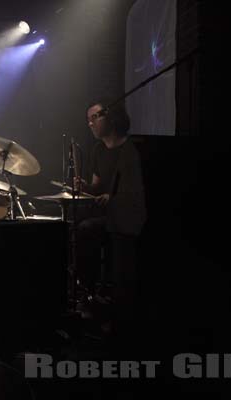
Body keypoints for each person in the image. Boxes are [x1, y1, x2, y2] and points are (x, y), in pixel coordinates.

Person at [74, 99, 146, 339]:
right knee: (80, 230)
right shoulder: (97, 150)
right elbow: (96, 187)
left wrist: (111, 196)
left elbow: (133, 192)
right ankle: (89, 292)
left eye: (95, 117)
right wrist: (85, 186)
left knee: (87, 229)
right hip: (107, 216)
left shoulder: (130, 150)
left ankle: (117, 314)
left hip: (125, 217)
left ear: (111, 117)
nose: (90, 123)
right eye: (88, 120)